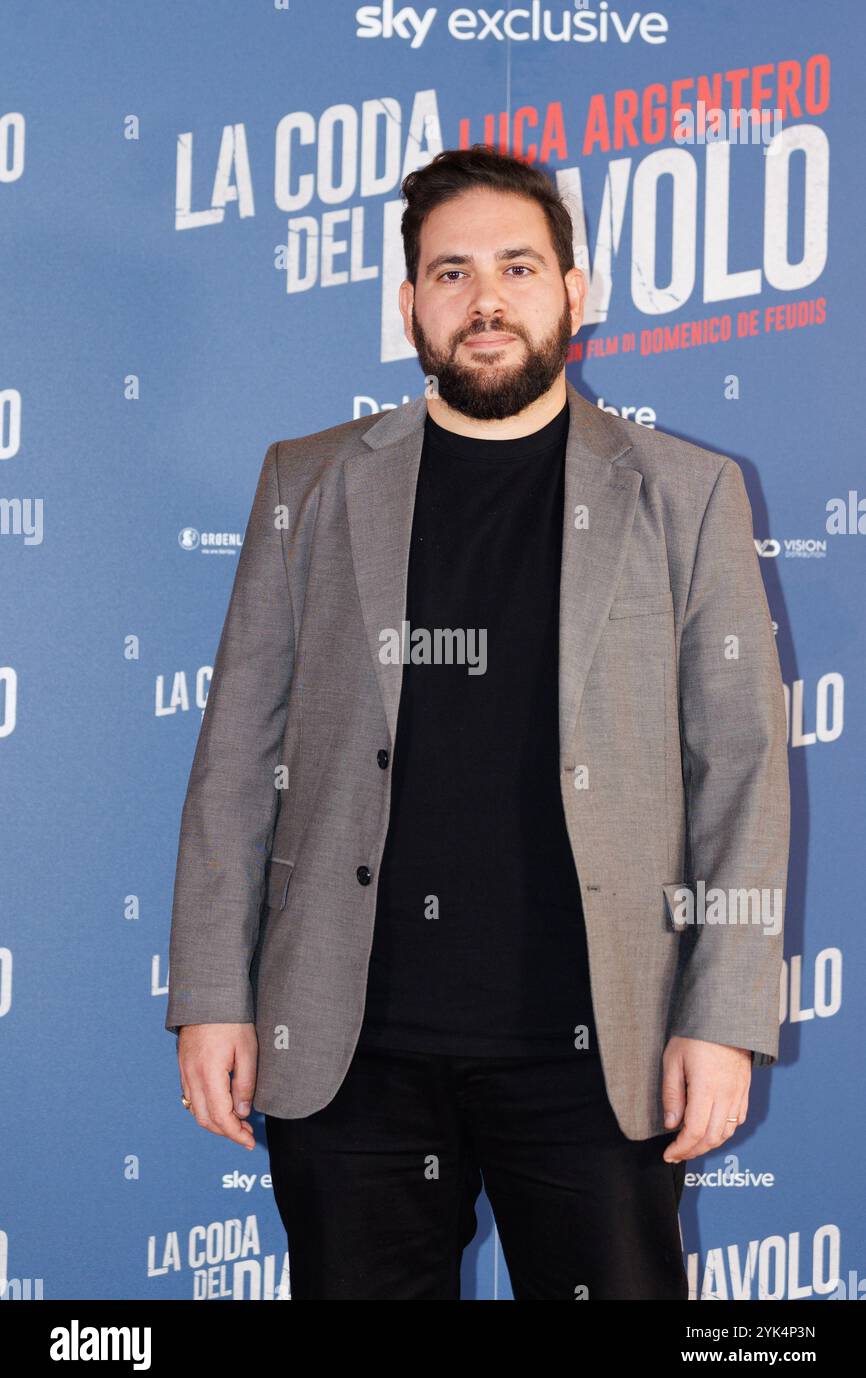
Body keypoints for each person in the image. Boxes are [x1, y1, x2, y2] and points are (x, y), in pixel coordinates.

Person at [166, 145, 790, 1300]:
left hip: (599, 1050)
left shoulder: (685, 491)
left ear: (574, 292)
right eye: (450, 273)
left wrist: (725, 1018)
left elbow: (742, 768)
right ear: (408, 304)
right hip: (349, 1051)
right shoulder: (308, 481)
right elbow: (237, 753)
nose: (484, 299)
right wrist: (209, 993)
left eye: (516, 266)